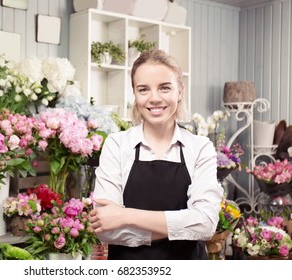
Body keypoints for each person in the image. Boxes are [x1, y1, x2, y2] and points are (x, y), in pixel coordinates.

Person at [89, 49, 223, 260]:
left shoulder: (200, 148)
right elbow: (106, 229)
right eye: (143, 89)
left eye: (164, 88)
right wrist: (181, 227)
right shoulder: (117, 145)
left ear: (179, 91)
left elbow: (205, 224)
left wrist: (125, 215)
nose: (154, 98)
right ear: (135, 94)